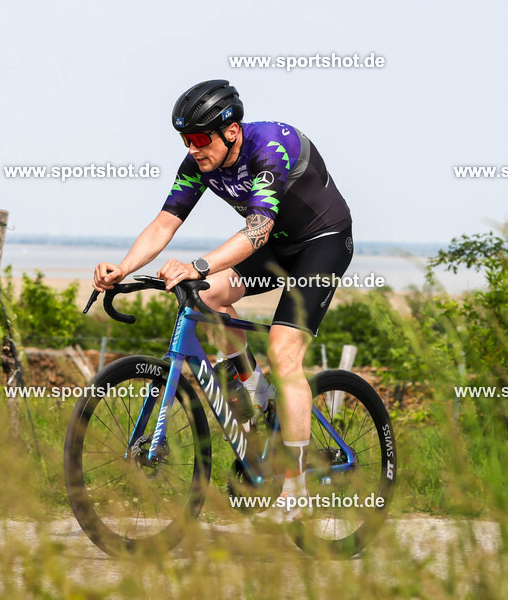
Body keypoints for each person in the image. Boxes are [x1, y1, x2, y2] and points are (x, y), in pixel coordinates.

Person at [92, 79, 353, 522]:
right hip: (274, 246)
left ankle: (296, 488)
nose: (192, 149)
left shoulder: (269, 147)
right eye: (184, 140)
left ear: (230, 130)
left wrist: (197, 264)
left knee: (284, 351)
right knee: (207, 298)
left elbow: (256, 231)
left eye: (198, 138)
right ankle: (255, 389)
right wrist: (122, 268)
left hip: (320, 244)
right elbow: (164, 223)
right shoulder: (199, 163)